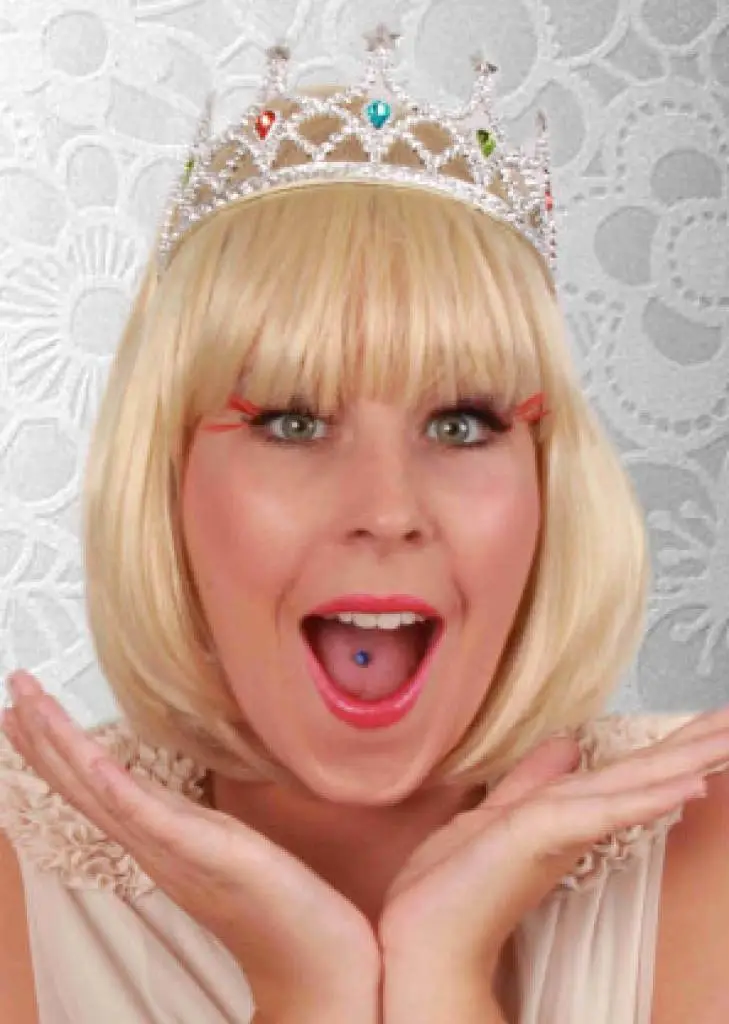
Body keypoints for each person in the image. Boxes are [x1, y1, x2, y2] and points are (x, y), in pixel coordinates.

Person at [1, 25, 728, 1024]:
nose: (387, 510)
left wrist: (444, 973)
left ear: (549, 483)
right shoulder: (15, 867)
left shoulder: (708, 835)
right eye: (293, 422)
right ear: (168, 477)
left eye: (461, 423)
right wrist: (309, 989)